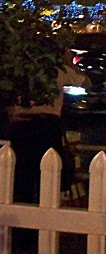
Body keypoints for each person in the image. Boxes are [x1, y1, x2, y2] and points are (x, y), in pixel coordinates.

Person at [8, 47, 85, 204]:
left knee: (23, 175)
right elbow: (85, 81)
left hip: (22, 125)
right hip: (47, 126)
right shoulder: (57, 71)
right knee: (48, 173)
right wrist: (69, 63)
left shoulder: (19, 70)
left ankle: (23, 212)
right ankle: (44, 209)